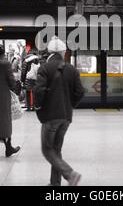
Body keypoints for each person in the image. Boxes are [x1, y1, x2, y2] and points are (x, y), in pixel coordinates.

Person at [33, 36, 85, 186]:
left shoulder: (45, 68)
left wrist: (38, 107)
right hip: (66, 117)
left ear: (49, 52)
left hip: (50, 116)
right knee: (56, 150)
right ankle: (55, 183)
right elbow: (80, 92)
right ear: (63, 53)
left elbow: (39, 91)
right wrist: (70, 105)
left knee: (47, 149)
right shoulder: (72, 69)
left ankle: (70, 174)